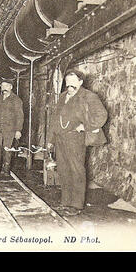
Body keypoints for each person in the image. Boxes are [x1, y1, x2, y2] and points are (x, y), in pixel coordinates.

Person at [47, 69, 108, 216]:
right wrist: (51, 140)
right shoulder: (62, 97)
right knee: (63, 170)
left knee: (76, 170)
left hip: (76, 139)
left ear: (80, 82)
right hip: (61, 138)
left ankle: (76, 205)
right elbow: (55, 119)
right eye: (68, 82)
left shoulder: (88, 96)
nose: (70, 85)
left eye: (73, 82)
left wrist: (86, 127)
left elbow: (102, 115)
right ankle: (66, 201)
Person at [0, 79, 24, 177]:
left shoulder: (16, 100)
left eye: (6, 86)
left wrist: (18, 130)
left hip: (9, 129)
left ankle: (6, 171)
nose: (4, 88)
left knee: (7, 149)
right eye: (2, 86)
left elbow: (20, 116)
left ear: (11, 87)